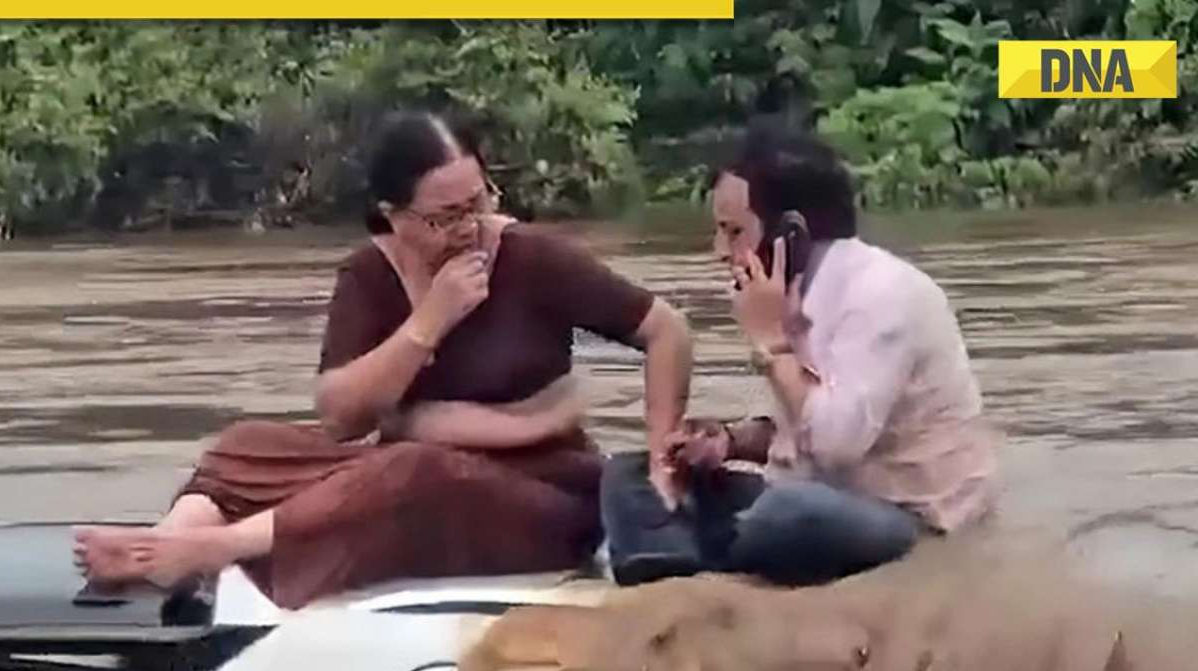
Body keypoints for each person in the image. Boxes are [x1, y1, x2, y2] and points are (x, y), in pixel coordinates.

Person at [75, 110, 692, 609]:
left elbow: (667, 330)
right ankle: (166, 540)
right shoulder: (371, 273)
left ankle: (213, 549)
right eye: (445, 217)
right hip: (401, 461)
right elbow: (341, 419)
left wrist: (662, 463)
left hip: (540, 495)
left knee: (414, 471)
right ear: (394, 217)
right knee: (251, 442)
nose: (470, 229)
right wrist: (430, 321)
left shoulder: (532, 257)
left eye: (478, 203)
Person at [600, 119, 998, 587]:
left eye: (733, 233)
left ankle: (678, 554)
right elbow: (797, 434)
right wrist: (726, 441)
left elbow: (835, 446)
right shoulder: (796, 293)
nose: (718, 252)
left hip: (908, 520)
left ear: (791, 234)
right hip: (823, 490)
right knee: (629, 473)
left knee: (788, 512)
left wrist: (773, 343)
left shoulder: (882, 296)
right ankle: (677, 559)